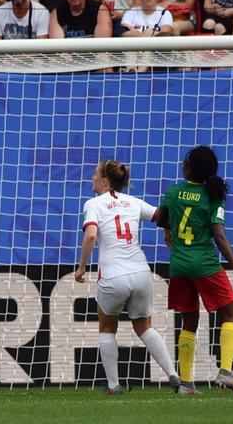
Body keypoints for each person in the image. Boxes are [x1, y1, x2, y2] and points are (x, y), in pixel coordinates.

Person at [75, 160, 180, 395]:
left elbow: (91, 236)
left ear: (104, 181)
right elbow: (164, 216)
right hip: (142, 273)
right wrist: (167, 232)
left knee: (106, 327)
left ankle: (113, 385)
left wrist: (82, 267)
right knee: (144, 327)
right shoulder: (134, 202)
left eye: (95, 174)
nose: (91, 178)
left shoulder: (93, 204)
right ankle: (173, 375)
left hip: (113, 275)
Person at [156, 146, 233, 395]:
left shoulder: (174, 192)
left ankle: (186, 383)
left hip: (178, 265)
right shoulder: (213, 195)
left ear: (188, 167)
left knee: (190, 319)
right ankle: (226, 372)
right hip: (204, 263)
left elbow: (160, 219)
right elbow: (219, 235)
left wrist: (169, 230)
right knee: (229, 310)